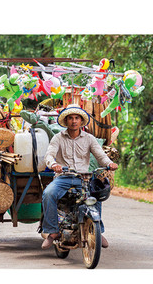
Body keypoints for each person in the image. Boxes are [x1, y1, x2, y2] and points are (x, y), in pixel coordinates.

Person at [41, 104, 118, 249]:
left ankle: (97, 230)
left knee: (95, 196)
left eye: (77, 118)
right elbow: (49, 154)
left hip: (84, 178)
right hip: (63, 177)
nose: (74, 121)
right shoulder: (58, 138)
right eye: (71, 118)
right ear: (66, 121)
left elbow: (101, 156)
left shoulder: (89, 138)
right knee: (48, 193)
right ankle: (52, 232)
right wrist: (53, 164)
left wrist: (109, 163)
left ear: (81, 121)